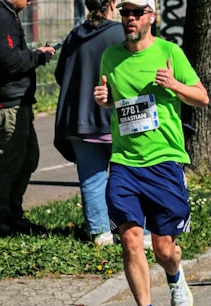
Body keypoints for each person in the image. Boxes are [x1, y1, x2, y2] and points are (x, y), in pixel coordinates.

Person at [93, 0, 209, 306]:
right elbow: (110, 99)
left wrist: (175, 85)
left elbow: (201, 97)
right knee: (130, 239)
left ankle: (175, 274)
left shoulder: (170, 52)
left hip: (164, 161)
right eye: (125, 12)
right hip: (125, 161)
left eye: (136, 13)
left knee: (163, 249)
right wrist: (103, 99)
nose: (129, 19)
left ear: (151, 16)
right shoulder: (110, 56)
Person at [0, 0, 57, 236]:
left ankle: (12, 214)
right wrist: (37, 56)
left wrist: (34, 54)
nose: (30, 1)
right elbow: (9, 60)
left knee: (29, 159)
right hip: (7, 104)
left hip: (17, 101)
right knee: (8, 162)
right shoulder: (1, 17)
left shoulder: (4, 14)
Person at [54, 0, 125, 246]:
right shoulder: (120, 33)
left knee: (92, 179)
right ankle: (137, 231)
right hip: (114, 119)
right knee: (127, 177)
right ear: (113, 5)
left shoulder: (75, 35)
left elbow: (60, 75)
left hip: (80, 122)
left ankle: (100, 234)